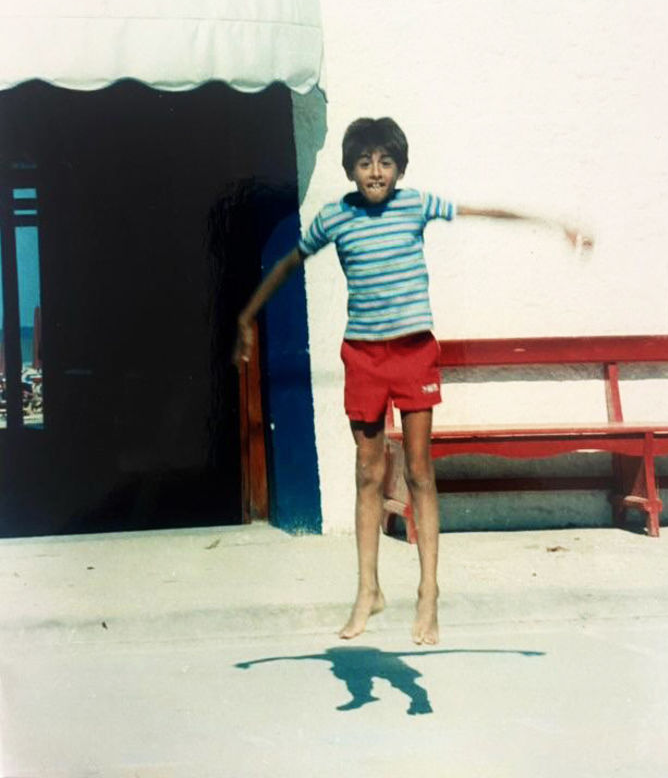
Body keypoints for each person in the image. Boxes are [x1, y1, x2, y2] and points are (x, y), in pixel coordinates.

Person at [234, 116, 592, 646]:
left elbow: (482, 212)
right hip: (363, 355)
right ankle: (368, 590)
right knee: (367, 473)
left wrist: (552, 222)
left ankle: (429, 592)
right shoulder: (335, 217)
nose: (375, 172)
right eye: (364, 163)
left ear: (399, 168)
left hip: (413, 352)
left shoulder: (416, 205)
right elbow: (289, 263)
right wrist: (247, 318)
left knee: (420, 471)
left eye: (385, 162)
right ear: (351, 170)